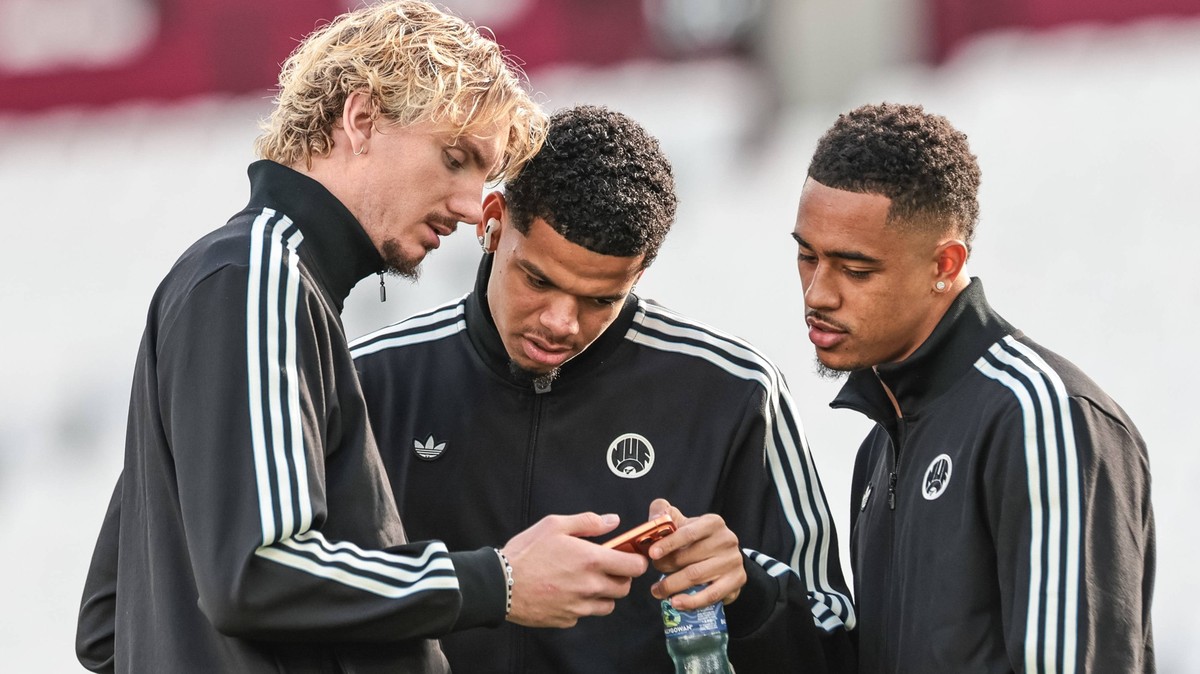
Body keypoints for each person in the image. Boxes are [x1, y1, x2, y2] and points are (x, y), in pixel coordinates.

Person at [74, 4, 653, 673]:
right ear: (361, 119)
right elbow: (257, 570)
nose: (472, 208)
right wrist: (498, 581)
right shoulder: (257, 277)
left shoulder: (263, 285)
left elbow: (107, 621)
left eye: (483, 178)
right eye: (455, 158)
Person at [351, 104, 857, 673]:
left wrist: (752, 591)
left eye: (599, 299)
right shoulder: (371, 380)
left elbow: (835, 639)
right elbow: (304, 601)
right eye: (538, 280)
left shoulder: (734, 392)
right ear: (491, 221)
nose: (560, 322)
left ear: (638, 274)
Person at [792, 102, 1156, 673]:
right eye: (806, 256)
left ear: (946, 263)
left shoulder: (1041, 417)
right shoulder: (882, 442)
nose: (817, 293)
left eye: (855, 270)